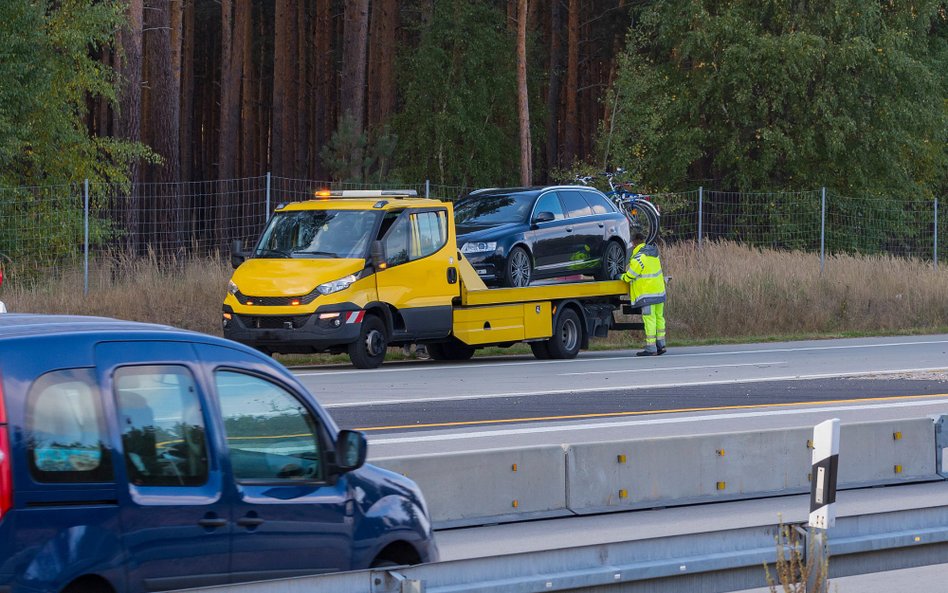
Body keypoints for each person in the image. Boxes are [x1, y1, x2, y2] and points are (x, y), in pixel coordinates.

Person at [620, 231, 666, 356]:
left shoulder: (638, 258)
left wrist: (620, 276)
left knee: (649, 319)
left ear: (634, 243)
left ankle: (651, 348)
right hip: (659, 292)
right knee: (659, 318)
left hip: (647, 295)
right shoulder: (653, 253)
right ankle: (661, 345)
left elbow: (630, 276)